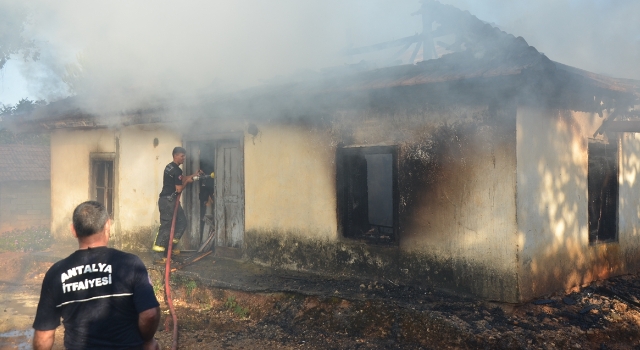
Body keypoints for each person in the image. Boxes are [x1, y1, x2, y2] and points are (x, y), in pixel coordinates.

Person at [32, 201, 161, 350]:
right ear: (107, 225)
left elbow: (44, 335)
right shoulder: (130, 263)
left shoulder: (56, 273)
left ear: (73, 230)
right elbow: (150, 314)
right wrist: (147, 340)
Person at [152, 146, 202, 259]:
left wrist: (194, 175)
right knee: (166, 226)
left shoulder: (169, 167)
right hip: (169, 201)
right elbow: (179, 188)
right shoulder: (177, 170)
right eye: (182, 156)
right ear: (175, 156)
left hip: (168, 200)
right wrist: (188, 182)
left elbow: (181, 178)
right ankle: (158, 255)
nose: (184, 158)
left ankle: (170, 248)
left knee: (181, 222)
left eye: (184, 156)